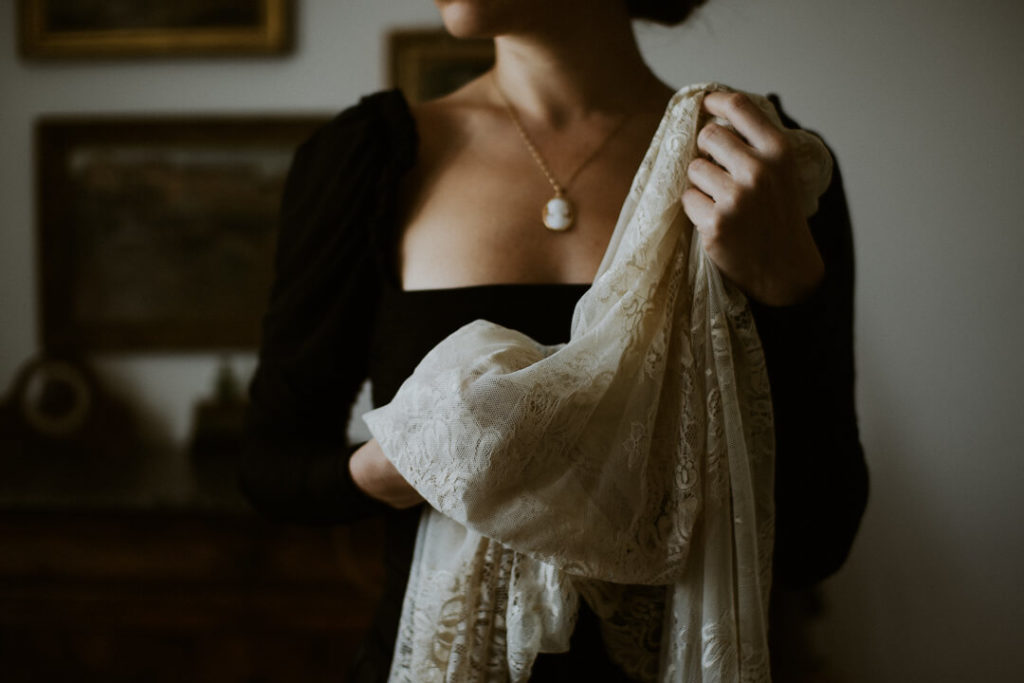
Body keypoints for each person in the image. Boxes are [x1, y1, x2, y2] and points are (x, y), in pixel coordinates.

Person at [239, 0, 869, 680]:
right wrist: (390, 469)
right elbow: (272, 465)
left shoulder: (756, 168)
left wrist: (789, 294)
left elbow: (817, 537)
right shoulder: (366, 162)